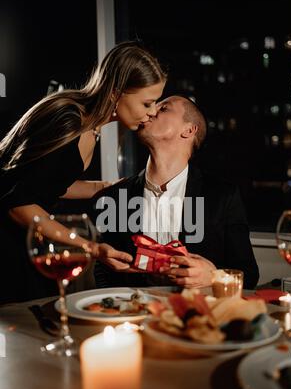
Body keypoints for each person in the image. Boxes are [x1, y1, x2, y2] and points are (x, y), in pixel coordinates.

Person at [0, 41, 166, 302]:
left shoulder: (89, 124)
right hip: (8, 248)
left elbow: (52, 183)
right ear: (116, 92)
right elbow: (20, 203)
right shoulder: (68, 121)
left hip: (24, 241)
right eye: (147, 103)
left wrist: (108, 186)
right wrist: (90, 247)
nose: (153, 112)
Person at [93, 95, 259, 289]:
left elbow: (249, 276)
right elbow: (103, 271)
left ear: (188, 130)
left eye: (164, 108)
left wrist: (215, 276)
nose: (152, 111)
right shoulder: (114, 197)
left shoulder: (223, 196)